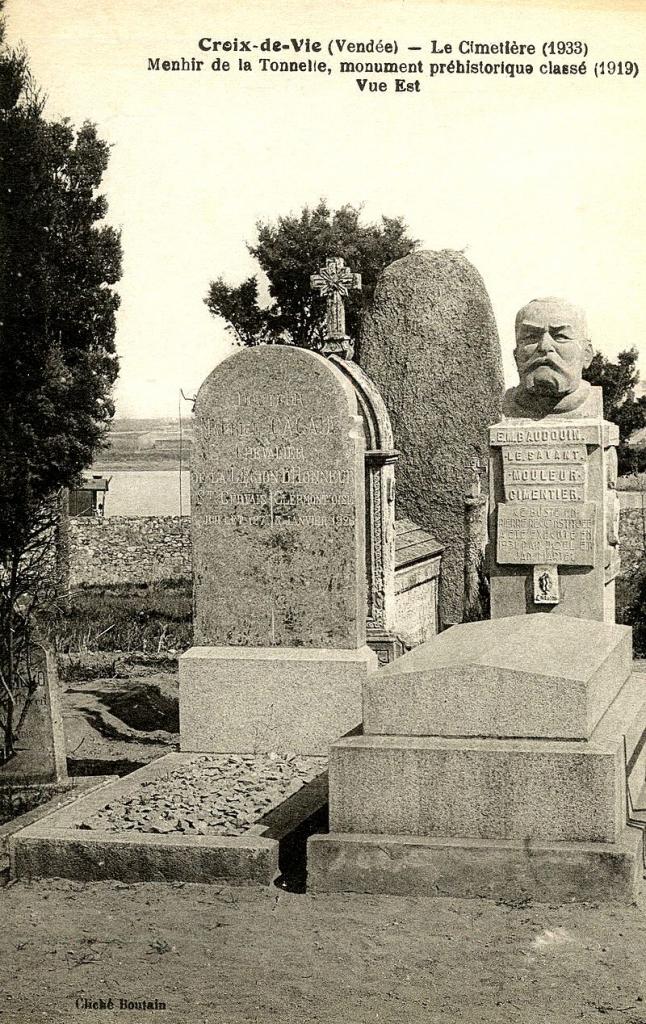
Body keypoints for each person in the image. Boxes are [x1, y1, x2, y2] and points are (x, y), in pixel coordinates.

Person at [503, 297, 596, 418]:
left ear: (587, 355)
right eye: (531, 337)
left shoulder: (593, 401)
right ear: (516, 356)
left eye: (560, 336)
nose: (544, 346)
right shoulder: (506, 403)